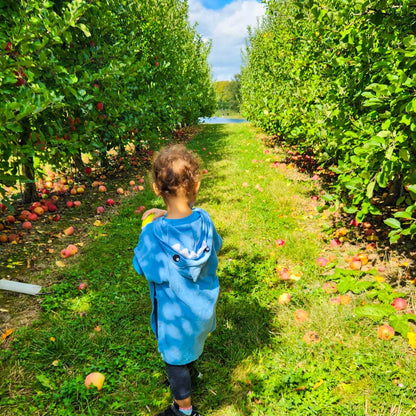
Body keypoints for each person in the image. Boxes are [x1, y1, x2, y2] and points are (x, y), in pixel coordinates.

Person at [132, 144, 222, 416]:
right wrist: (169, 216)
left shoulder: (153, 235)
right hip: (201, 312)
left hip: (175, 319)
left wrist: (151, 228)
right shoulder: (205, 221)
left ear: (157, 190)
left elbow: (142, 267)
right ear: (196, 187)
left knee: (174, 361)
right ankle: (189, 360)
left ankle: (184, 410)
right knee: (188, 345)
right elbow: (215, 245)